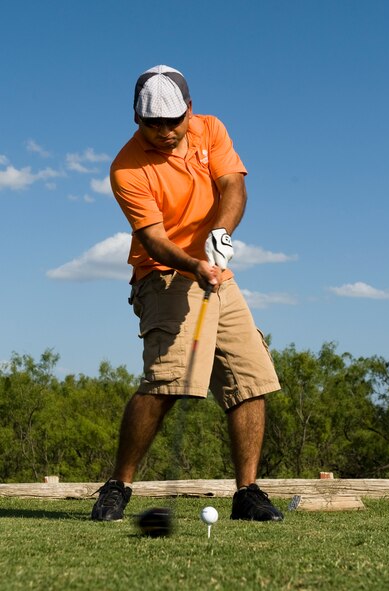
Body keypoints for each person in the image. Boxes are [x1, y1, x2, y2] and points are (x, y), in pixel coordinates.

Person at [91, 65, 283, 522]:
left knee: (250, 377)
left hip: (216, 271)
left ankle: (247, 493)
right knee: (168, 382)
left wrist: (221, 232)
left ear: (189, 110)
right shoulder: (126, 168)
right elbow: (155, 240)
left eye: (172, 122)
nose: (163, 133)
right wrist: (193, 263)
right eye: (151, 124)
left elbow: (233, 184)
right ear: (136, 120)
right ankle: (118, 485)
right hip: (163, 274)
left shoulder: (210, 129)